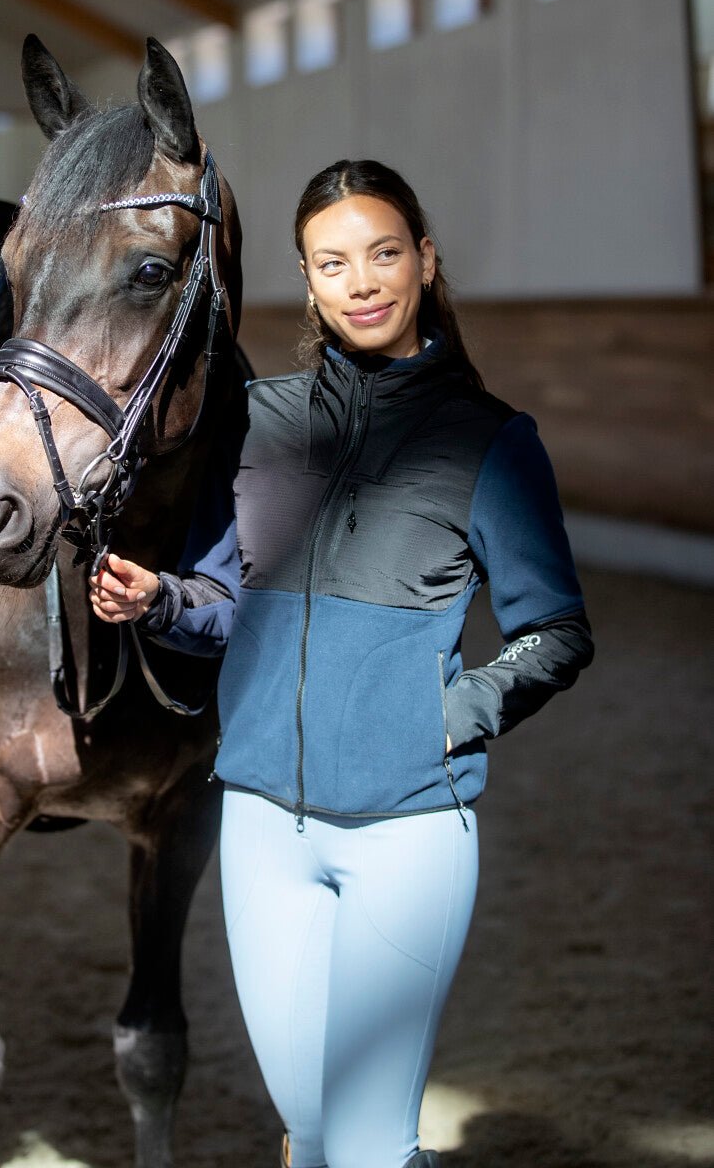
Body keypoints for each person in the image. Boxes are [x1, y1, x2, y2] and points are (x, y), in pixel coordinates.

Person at [90, 159, 593, 1168]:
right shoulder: (259, 422)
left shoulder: (489, 440)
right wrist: (161, 601)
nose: (360, 279)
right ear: (308, 281)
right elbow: (229, 604)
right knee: (310, 1125)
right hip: (264, 827)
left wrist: (445, 716)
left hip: (407, 834)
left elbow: (554, 633)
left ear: (422, 262)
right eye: (332, 262)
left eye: (381, 253)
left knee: (366, 1142)